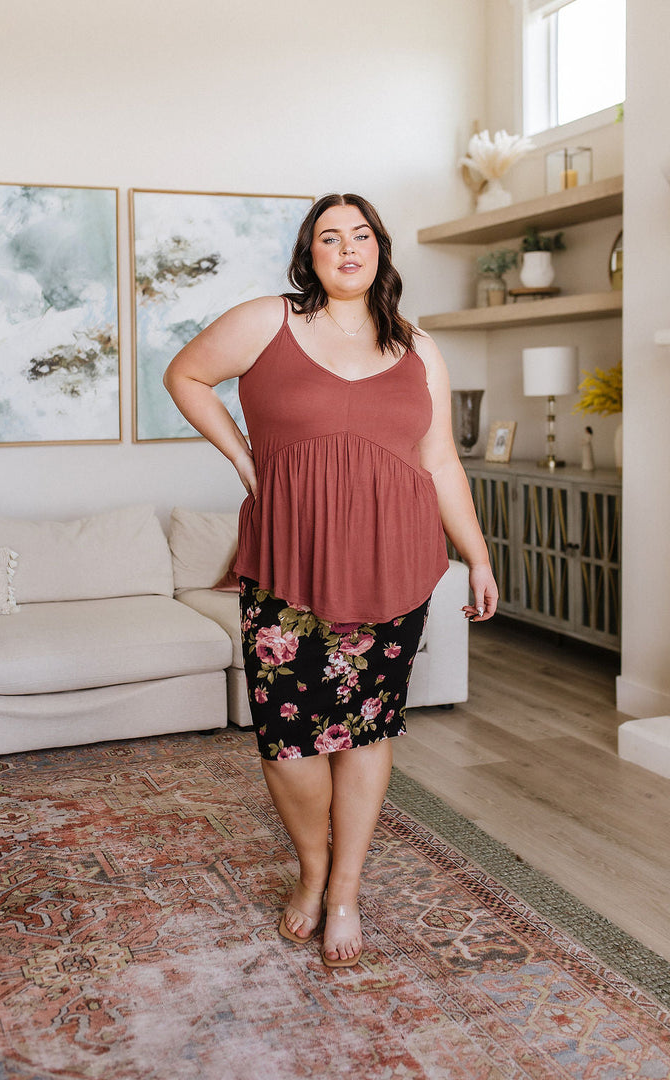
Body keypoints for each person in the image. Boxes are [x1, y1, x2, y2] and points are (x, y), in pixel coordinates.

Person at [163, 193, 498, 968]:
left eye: (360, 235)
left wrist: (475, 555)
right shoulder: (268, 321)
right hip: (289, 558)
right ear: (309, 255)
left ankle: (344, 888)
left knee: (368, 730)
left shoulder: (420, 347)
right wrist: (250, 463)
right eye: (328, 237)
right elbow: (186, 376)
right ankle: (312, 869)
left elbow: (439, 459)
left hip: (397, 560)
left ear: (380, 249)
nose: (346, 248)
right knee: (289, 741)